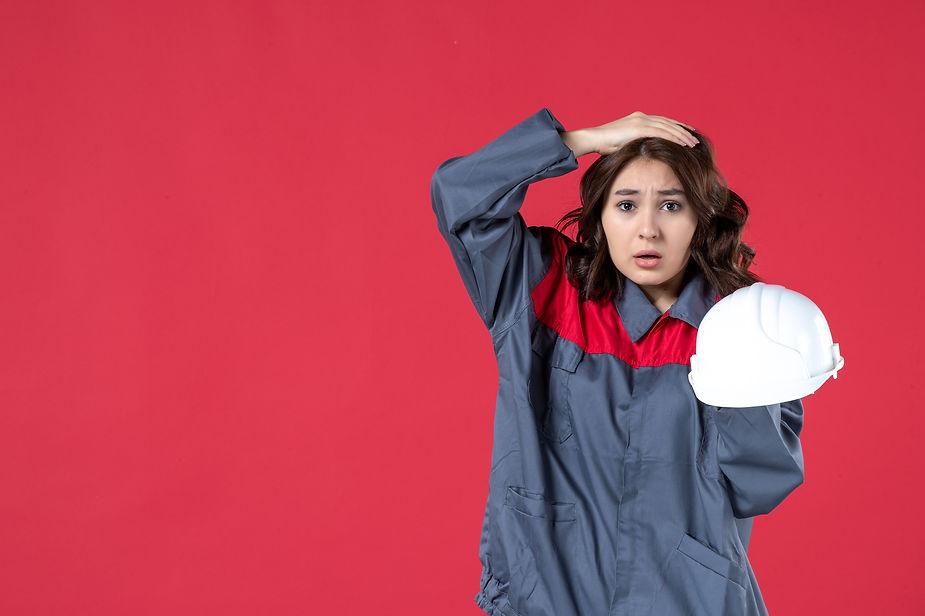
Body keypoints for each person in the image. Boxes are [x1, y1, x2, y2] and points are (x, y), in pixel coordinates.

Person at [430, 108, 805, 616]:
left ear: (700, 219)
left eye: (671, 205)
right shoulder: (540, 286)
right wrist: (582, 140)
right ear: (600, 217)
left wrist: (739, 368)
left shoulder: (743, 324)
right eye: (626, 204)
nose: (648, 228)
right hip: (546, 591)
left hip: (689, 600)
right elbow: (458, 196)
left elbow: (760, 483)